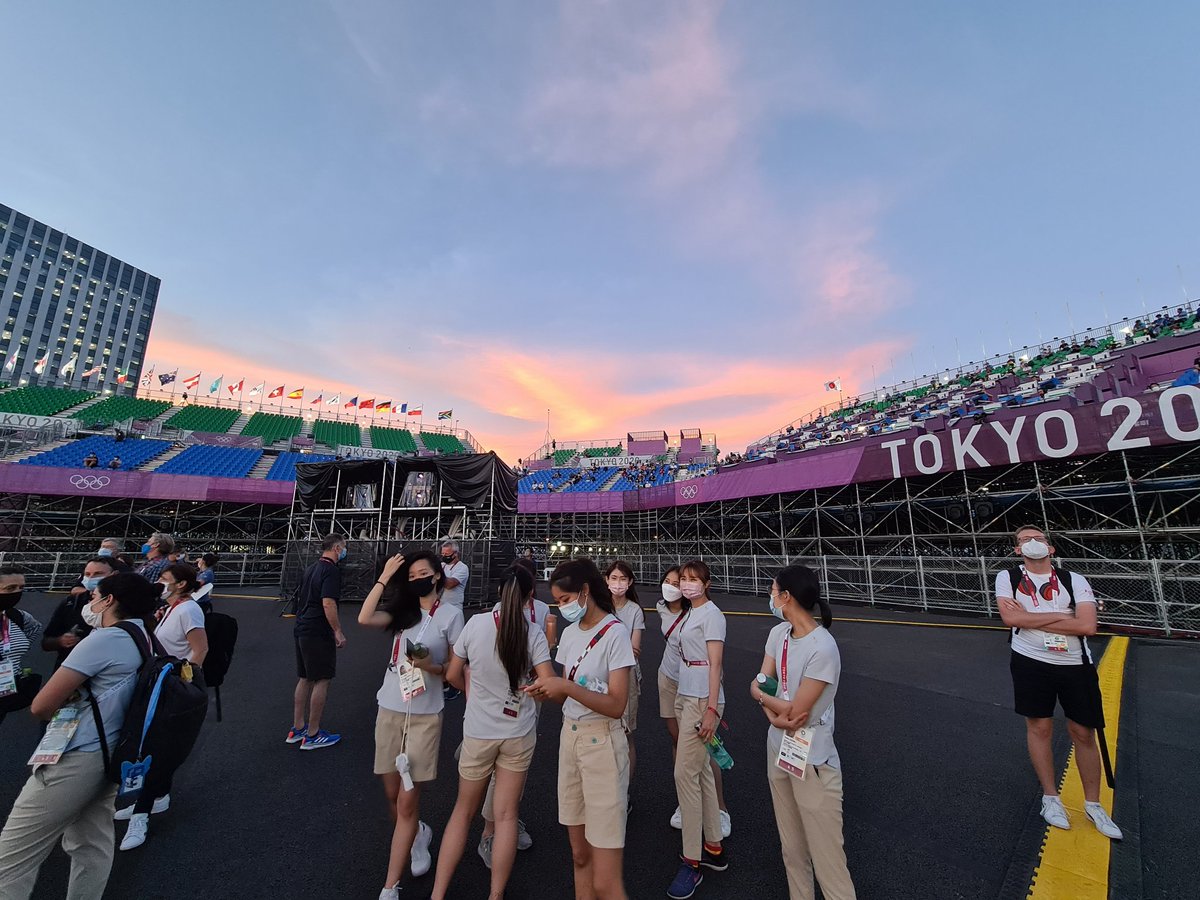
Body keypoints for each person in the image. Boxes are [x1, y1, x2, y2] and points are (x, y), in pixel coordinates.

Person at [0, 573, 158, 900]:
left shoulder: (103, 639)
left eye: (94, 596)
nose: (90, 603)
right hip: (113, 751)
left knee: (13, 856)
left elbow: (42, 706)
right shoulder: (144, 635)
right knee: (92, 844)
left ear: (109, 600)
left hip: (76, 753)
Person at [430, 565, 554, 900]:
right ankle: (495, 895)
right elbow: (548, 683)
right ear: (530, 597)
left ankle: (438, 894)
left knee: (462, 812)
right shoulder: (533, 633)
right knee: (507, 815)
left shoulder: (476, 624)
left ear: (499, 592)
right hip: (518, 731)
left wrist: (473, 692)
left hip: (479, 729)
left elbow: (453, 675)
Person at [996, 525, 1122, 839]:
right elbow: (1011, 620)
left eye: (1038, 538)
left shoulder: (1073, 579)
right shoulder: (1008, 578)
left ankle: (1093, 803)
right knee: (1039, 727)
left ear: (1051, 549)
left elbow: (1089, 626)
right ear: (1017, 550)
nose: (1032, 543)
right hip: (1029, 662)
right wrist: (1065, 617)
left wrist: (1033, 617)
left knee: (1083, 731)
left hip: (1075, 663)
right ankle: (1050, 797)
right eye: (1024, 540)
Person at [524, 558, 634, 900]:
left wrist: (566, 687)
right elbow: (569, 694)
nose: (562, 606)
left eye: (566, 599)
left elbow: (617, 704)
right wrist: (548, 690)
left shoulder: (616, 633)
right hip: (569, 738)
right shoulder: (570, 635)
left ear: (585, 592)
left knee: (606, 880)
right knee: (579, 855)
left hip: (602, 743)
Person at [358, 550, 464, 899]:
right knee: (391, 794)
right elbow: (363, 617)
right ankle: (418, 833)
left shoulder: (451, 614)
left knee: (406, 800)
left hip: (425, 714)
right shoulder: (401, 613)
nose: (416, 578)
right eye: (411, 575)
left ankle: (390, 885)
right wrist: (385, 576)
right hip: (389, 706)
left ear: (436, 576)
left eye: (422, 573)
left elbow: (453, 668)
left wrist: (429, 666)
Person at [751, 564, 856, 900]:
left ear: (787, 597)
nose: (770, 596)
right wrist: (771, 709)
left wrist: (766, 701)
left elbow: (796, 711)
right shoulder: (777, 635)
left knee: (829, 863)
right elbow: (761, 684)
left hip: (813, 759)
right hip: (779, 747)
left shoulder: (822, 647)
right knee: (792, 850)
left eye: (773, 590)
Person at [114, 563, 208, 850]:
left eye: (165, 579)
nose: (160, 583)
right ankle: (158, 796)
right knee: (161, 746)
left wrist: (185, 682)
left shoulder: (189, 609)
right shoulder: (172, 608)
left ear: (181, 584)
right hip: (161, 682)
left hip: (170, 686)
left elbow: (200, 648)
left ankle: (141, 814)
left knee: (155, 747)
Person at [476, 556, 553, 866]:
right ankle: (490, 831)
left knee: (514, 771)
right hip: (500, 703)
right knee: (499, 772)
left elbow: (546, 649)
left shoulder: (543, 613)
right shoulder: (487, 620)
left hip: (526, 699)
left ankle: (506, 820)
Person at [668, 559, 728, 900]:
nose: (688, 584)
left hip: (702, 698)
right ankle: (714, 845)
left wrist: (710, 708)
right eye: (684, 579)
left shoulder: (712, 615)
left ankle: (692, 860)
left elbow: (716, 662)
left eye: (694, 580)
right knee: (702, 771)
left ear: (706, 583)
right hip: (686, 692)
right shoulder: (690, 613)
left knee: (684, 775)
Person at [287, 533, 347, 751]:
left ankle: (298, 728)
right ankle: (312, 734)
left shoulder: (311, 568)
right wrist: (338, 631)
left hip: (302, 627)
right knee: (322, 679)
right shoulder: (331, 570)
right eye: (344, 547)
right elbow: (328, 602)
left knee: (304, 678)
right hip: (317, 630)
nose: (344, 551)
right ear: (337, 548)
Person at [605, 560, 645, 784]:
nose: (618, 583)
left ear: (629, 582)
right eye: (614, 578)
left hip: (627, 674)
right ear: (606, 580)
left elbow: (635, 650)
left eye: (622, 579)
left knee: (626, 731)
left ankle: (624, 787)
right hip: (602, 674)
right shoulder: (600, 605)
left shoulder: (634, 610)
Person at [43, 556, 116, 668]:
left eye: (98, 574)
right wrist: (60, 641)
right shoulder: (71, 603)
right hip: (69, 668)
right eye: (87, 574)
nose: (91, 578)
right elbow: (46, 642)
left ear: (114, 575)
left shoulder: (122, 605)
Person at [0, 568, 43, 727]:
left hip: (5, 694)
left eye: (21, 588)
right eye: (10, 588)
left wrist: (10, 653)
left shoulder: (18, 617)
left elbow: (34, 628)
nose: (17, 593)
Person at [439, 541, 469, 610]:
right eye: (442, 554)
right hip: (439, 605)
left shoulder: (462, 567)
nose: (444, 556)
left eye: (446, 554)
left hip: (454, 606)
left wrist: (436, 576)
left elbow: (450, 584)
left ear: (455, 553)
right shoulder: (441, 565)